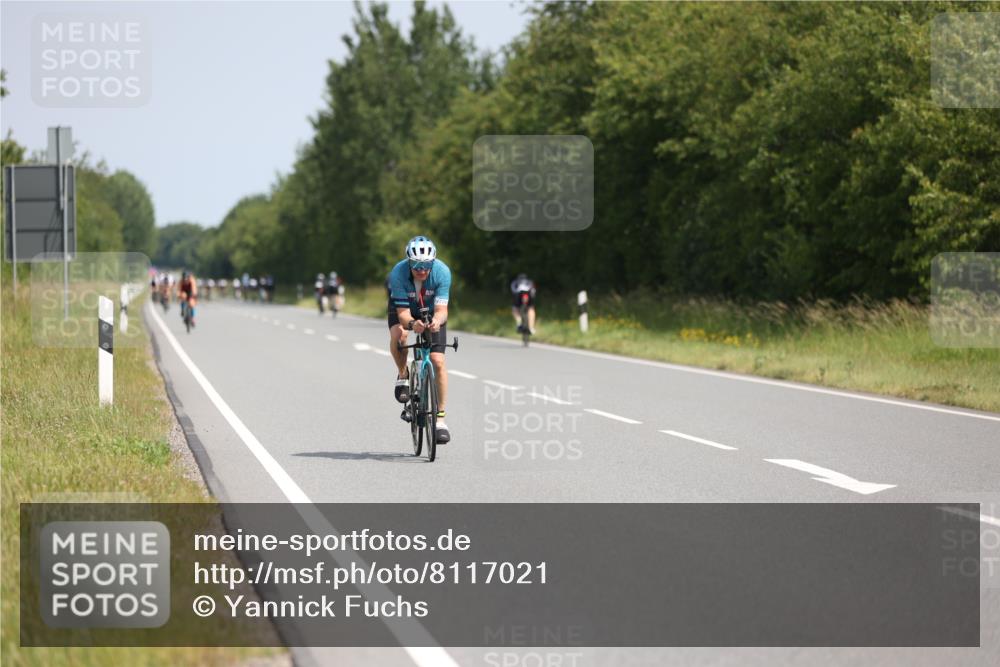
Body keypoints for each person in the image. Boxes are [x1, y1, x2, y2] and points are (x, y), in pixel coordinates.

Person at [387, 236, 452, 444]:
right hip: (407, 309)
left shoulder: (442, 272)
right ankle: (403, 375)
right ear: (409, 261)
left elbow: (442, 311)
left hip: (431, 312)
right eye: (416, 265)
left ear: (433, 262)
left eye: (426, 265)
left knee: (438, 361)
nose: (422, 270)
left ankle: (440, 420)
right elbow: (403, 314)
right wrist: (413, 324)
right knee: (400, 335)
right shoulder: (397, 274)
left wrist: (436, 321)